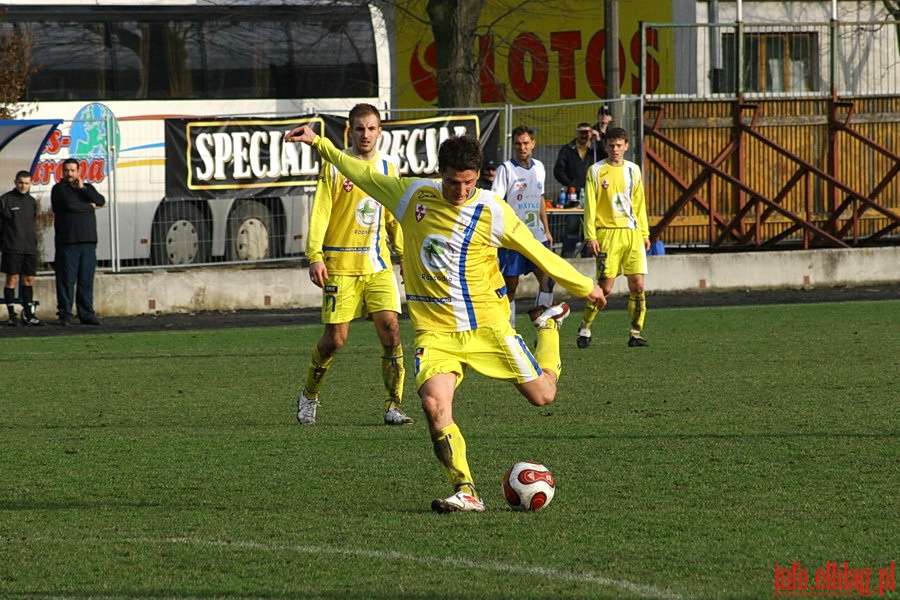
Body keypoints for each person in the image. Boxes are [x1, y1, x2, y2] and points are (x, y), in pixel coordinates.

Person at [285, 125, 606, 513]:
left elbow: (538, 252)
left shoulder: (491, 209)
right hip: (436, 333)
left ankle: (549, 326)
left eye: (469, 182)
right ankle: (466, 489)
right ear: (442, 175)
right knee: (434, 405)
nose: (461, 191)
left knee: (544, 396)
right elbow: (360, 172)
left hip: (487, 326)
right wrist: (320, 143)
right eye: (454, 183)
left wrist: (585, 284)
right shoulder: (413, 196)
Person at [297, 103, 413, 427]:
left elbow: (393, 214)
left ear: (380, 131)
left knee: (391, 330)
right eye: (359, 128)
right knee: (335, 340)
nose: (365, 134)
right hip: (339, 266)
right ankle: (309, 394)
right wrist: (315, 256)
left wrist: (402, 256)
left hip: (377, 264)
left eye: (371, 128)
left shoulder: (389, 168)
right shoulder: (335, 166)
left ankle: (394, 405)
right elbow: (320, 211)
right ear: (351, 131)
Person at [577, 127, 651, 349]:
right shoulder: (596, 171)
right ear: (605, 146)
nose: (615, 150)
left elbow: (639, 204)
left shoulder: (634, 171)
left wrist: (645, 233)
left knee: (637, 285)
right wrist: (590, 235)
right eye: (611, 145)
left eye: (619, 145)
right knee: (605, 288)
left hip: (632, 233)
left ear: (626, 146)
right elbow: (590, 204)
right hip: (607, 233)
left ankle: (635, 333)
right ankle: (585, 327)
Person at [491, 125, 554, 327]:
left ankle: (542, 326)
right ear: (513, 145)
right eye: (518, 144)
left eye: (526, 143)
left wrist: (547, 229)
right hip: (513, 238)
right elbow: (496, 202)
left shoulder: (539, 168)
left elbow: (540, 199)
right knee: (510, 285)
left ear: (533, 144)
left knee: (548, 280)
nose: (522, 147)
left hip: (537, 236)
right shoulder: (506, 169)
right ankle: (509, 329)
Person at [51, 157, 105, 326]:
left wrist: (82, 188)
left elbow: (101, 200)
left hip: (88, 241)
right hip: (68, 242)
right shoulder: (59, 189)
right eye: (67, 170)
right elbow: (69, 205)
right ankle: (65, 313)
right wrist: (89, 207)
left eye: (73, 170)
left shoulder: (87, 188)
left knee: (86, 280)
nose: (70, 174)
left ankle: (86, 313)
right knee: (66, 280)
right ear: (62, 171)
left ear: (79, 172)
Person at [553, 122, 607, 257]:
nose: (584, 136)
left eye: (587, 132)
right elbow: (558, 170)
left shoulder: (595, 150)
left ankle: (587, 257)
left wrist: (599, 139)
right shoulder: (567, 149)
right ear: (577, 133)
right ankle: (567, 258)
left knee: (589, 228)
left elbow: (606, 158)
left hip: (593, 193)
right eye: (581, 132)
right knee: (572, 227)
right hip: (574, 194)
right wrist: (570, 184)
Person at [0, 171, 44, 326]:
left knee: (29, 279)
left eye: (26, 183)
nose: (23, 186)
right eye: (20, 182)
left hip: (30, 248)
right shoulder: (6, 200)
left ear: (30, 183)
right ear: (15, 182)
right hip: (12, 247)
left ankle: (28, 314)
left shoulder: (32, 201)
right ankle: (12, 315)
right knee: (12, 279)